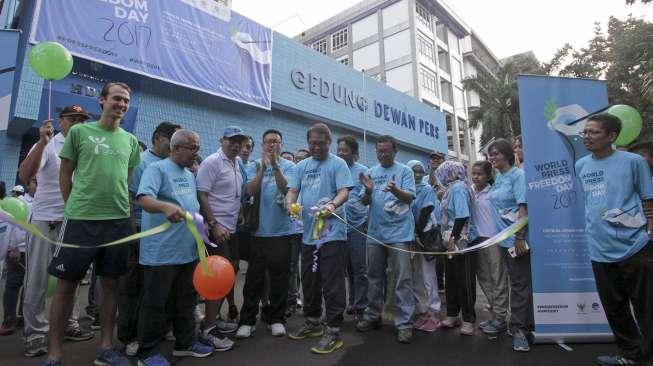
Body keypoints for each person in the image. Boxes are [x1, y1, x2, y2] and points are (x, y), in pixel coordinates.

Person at [44, 82, 141, 366]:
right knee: (66, 286)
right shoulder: (79, 132)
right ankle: (54, 353)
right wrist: (72, 207)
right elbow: (65, 174)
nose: (121, 104)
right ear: (102, 101)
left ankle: (106, 347)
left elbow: (126, 179)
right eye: (116, 99)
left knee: (110, 286)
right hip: (81, 221)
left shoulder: (130, 140)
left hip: (118, 222)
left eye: (125, 100)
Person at [577, 114, 653, 366]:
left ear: (612, 136)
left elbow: (648, 199)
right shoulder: (581, 165)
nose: (586, 136)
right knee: (614, 308)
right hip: (599, 249)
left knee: (646, 307)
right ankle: (630, 354)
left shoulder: (633, 162)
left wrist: (649, 232)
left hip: (636, 247)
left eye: (594, 132)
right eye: (585, 132)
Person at [17, 105, 92, 358]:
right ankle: (35, 333)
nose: (78, 123)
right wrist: (41, 142)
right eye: (73, 119)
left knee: (70, 278)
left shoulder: (87, 147)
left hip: (73, 222)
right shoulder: (50, 144)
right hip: (44, 221)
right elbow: (25, 175)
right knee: (37, 279)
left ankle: (69, 324)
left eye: (82, 120)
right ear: (61, 122)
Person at [136, 129, 214, 365]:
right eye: (193, 148)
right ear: (176, 147)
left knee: (186, 300)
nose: (196, 153)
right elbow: (143, 199)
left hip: (187, 251)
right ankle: (147, 353)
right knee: (154, 304)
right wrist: (164, 207)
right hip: (161, 253)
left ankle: (185, 344)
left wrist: (202, 228)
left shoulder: (189, 174)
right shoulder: (156, 169)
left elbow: (191, 205)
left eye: (198, 148)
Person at [286, 122, 352, 354]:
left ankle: (333, 329)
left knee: (332, 283)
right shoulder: (301, 166)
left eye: (320, 144)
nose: (316, 147)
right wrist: (290, 204)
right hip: (308, 235)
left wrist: (333, 204)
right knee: (309, 280)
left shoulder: (338, 163)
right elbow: (292, 190)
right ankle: (313, 321)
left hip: (332, 234)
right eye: (312, 143)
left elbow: (344, 190)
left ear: (329, 143)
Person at [120, 121, 181, 356]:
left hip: (168, 236)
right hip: (141, 231)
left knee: (160, 287)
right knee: (134, 286)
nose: (174, 145)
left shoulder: (172, 164)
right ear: (157, 138)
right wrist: (131, 230)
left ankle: (159, 328)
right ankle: (130, 336)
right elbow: (131, 197)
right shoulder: (143, 162)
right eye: (171, 140)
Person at [237, 129, 296, 339]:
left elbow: (285, 189)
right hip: (258, 233)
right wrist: (263, 169)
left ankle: (277, 318)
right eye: (268, 142)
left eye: (276, 142)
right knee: (254, 278)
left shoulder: (290, 166)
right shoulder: (254, 165)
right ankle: (247, 320)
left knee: (280, 278)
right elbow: (250, 191)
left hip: (281, 232)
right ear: (262, 145)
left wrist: (276, 166)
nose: (272, 145)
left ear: (281, 145)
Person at [356, 135, 416, 344]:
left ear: (395, 151)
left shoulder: (405, 171)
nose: (382, 155)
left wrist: (396, 189)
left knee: (403, 279)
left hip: (400, 234)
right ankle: (373, 316)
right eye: (379, 151)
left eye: (386, 151)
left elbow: (410, 198)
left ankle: (405, 324)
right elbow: (364, 202)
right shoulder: (371, 172)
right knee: (373, 277)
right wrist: (369, 191)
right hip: (375, 234)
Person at [196, 126, 247, 350]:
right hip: (216, 230)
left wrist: (241, 213)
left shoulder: (237, 163)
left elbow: (235, 194)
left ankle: (213, 320)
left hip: (232, 229)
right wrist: (213, 224)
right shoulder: (212, 162)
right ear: (221, 140)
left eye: (239, 141)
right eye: (231, 141)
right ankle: (208, 329)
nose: (235, 145)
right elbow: (202, 194)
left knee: (227, 276)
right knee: (216, 280)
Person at [487, 138, 532, 352]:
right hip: (502, 241)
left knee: (520, 285)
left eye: (495, 153)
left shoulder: (518, 176)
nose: (492, 158)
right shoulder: (498, 177)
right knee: (514, 282)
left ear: (507, 155)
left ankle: (520, 331)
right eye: (490, 154)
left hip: (517, 241)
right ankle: (518, 324)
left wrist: (520, 238)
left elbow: (524, 209)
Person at [434, 161, 477, 336]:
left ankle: (468, 319)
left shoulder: (459, 188)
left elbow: (462, 215)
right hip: (449, 240)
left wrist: (453, 239)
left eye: (443, 173)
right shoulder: (451, 189)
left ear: (451, 173)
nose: (441, 176)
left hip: (461, 241)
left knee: (464, 281)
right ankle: (452, 314)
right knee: (450, 279)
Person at [470, 161, 509, 336]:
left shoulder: (493, 193)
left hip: (493, 240)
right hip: (476, 241)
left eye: (479, 174)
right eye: (474, 173)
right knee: (484, 278)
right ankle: (495, 314)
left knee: (497, 277)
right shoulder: (469, 192)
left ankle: (501, 318)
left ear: (488, 176)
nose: (476, 177)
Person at [405, 160, 441, 333]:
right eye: (414, 171)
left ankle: (434, 313)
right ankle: (422, 312)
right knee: (417, 276)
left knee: (428, 275)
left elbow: (426, 212)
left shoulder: (426, 189)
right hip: (410, 236)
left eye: (420, 171)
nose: (418, 175)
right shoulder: (405, 189)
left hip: (425, 236)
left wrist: (417, 234)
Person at [336, 135, 369, 318]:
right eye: (339, 149)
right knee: (343, 270)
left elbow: (365, 200)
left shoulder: (363, 171)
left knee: (359, 270)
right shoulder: (334, 168)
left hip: (357, 227)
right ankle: (350, 303)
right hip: (337, 228)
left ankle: (361, 307)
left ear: (354, 153)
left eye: (344, 150)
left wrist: (369, 191)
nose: (340, 153)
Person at [0, 180, 34, 336]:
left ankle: (22, 316)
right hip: (18, 249)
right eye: (34, 182)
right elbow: (14, 226)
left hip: (33, 249)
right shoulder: (20, 203)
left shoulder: (42, 202)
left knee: (29, 286)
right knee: (13, 284)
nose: (37, 186)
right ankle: (9, 321)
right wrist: (14, 247)